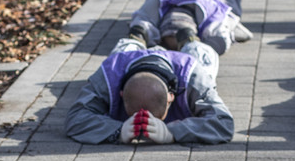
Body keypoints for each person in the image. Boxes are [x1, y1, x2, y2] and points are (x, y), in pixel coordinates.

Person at [64, 34, 234, 145]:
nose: (146, 131)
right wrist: (117, 131)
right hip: (127, 59)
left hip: (183, 60)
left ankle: (189, 39)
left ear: (171, 97)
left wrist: (172, 132)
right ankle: (135, 38)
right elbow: (76, 118)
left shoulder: (194, 76)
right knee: (125, 46)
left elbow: (224, 122)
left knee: (201, 51)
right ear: (120, 94)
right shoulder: (108, 75)